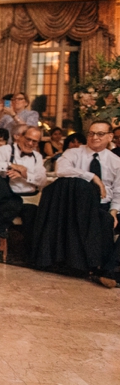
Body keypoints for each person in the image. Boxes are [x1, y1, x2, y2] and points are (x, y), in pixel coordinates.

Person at [54, 120, 120, 287]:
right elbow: (60, 169)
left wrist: (114, 211)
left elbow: (119, 190)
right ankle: (97, 269)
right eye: (91, 133)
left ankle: (107, 269)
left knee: (107, 218)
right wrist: (92, 177)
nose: (94, 137)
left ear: (110, 137)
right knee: (102, 220)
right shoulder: (74, 153)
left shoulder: (116, 161)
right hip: (76, 206)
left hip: (104, 204)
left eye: (100, 134)